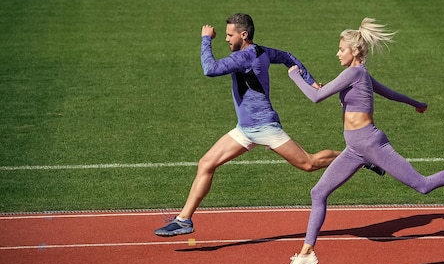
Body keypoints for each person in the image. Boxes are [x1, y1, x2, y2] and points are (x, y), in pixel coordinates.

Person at [281, 18, 444, 264]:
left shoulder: (354, 73)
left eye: (341, 49)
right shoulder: (360, 75)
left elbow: (315, 97)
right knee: (318, 192)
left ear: (354, 51)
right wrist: (416, 103)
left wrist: (295, 76)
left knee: (423, 185)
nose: (337, 53)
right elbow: (389, 93)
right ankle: (306, 253)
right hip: (355, 149)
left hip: (370, 144)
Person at [154, 13, 384, 237]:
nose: (226, 39)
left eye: (229, 35)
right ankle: (184, 220)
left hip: (265, 127)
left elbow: (210, 69)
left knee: (309, 163)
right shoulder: (262, 52)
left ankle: (360, 157)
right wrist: (311, 80)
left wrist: (206, 39)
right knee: (206, 163)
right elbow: (288, 57)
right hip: (244, 129)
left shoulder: (244, 57)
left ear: (243, 35)